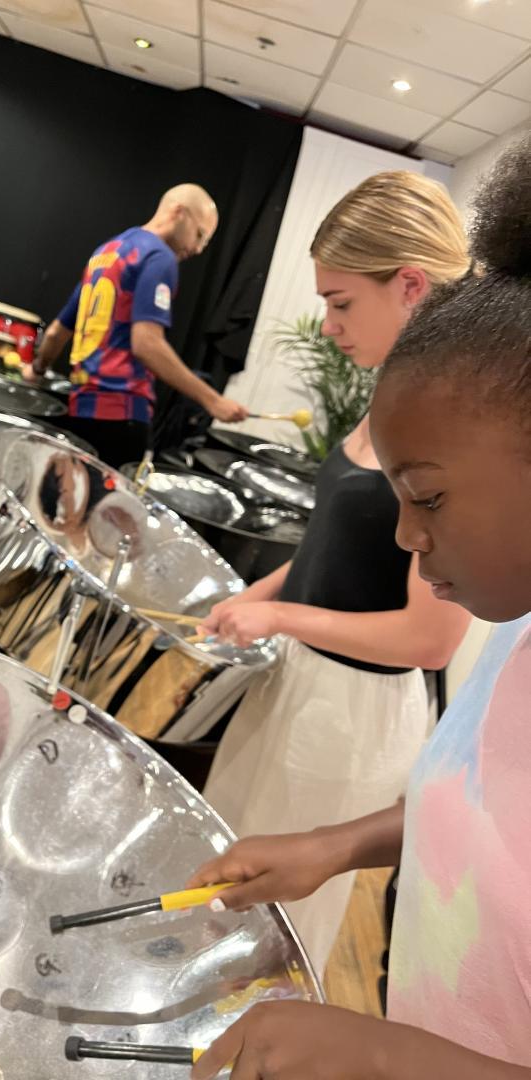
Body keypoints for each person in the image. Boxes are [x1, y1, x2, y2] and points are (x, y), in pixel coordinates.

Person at [188, 133, 531, 1080]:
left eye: (429, 499)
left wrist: (378, 1055)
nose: (404, 538)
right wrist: (339, 845)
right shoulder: (517, 638)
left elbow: (422, 635)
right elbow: (470, 800)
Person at [197, 171, 473, 978]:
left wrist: (281, 620)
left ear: (411, 287)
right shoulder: (392, 392)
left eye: (342, 302)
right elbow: (343, 546)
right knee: (225, 875)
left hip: (350, 712)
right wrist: (263, 593)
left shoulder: (450, 420)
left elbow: (429, 636)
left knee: (274, 931)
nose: (329, 325)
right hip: (301, 683)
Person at [29, 183, 248, 469]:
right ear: (178, 212)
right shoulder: (160, 258)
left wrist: (36, 369)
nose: (196, 249)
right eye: (200, 235)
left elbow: (58, 331)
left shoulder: (106, 252)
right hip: (122, 416)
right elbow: (147, 344)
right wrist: (212, 400)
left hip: (80, 411)